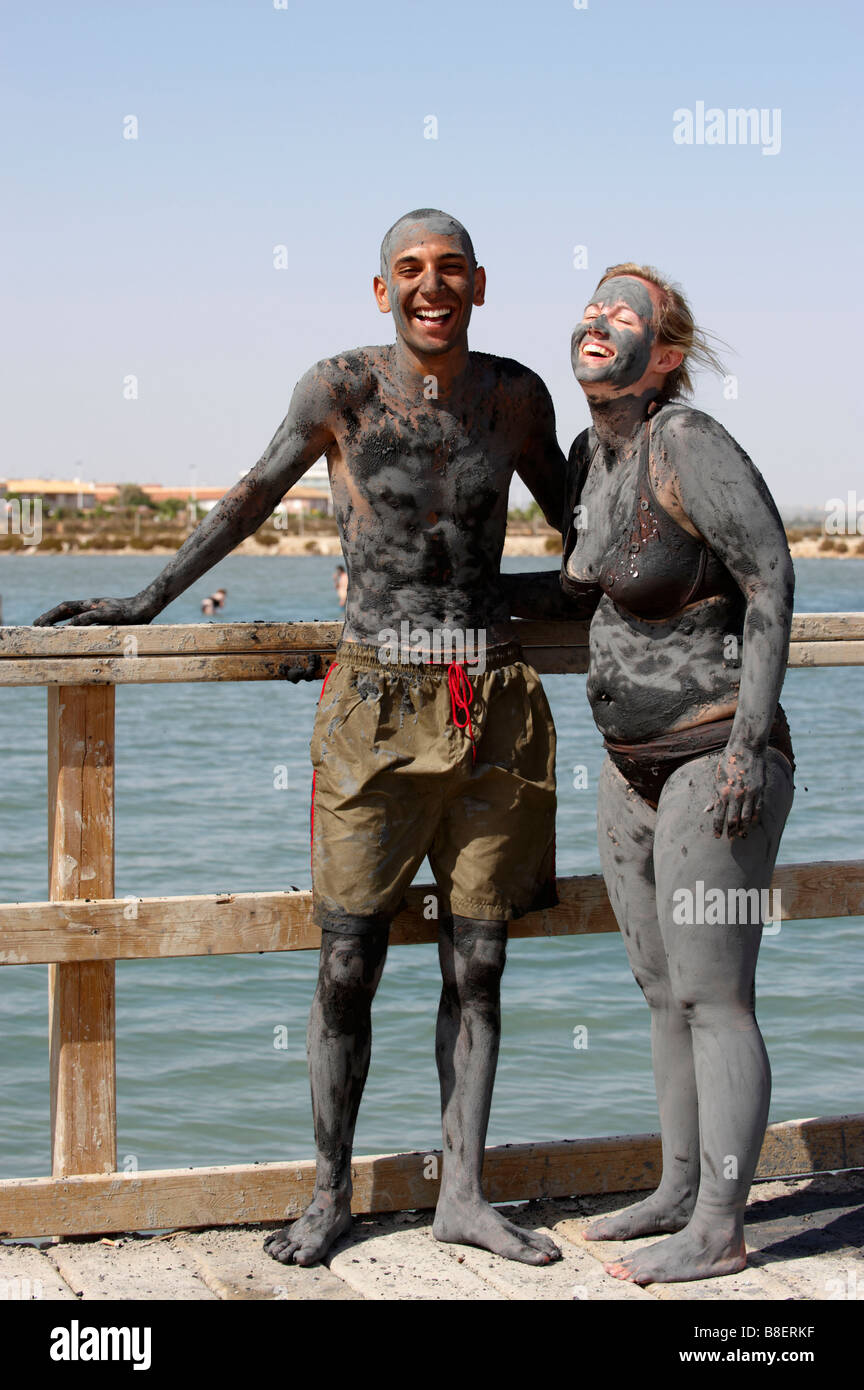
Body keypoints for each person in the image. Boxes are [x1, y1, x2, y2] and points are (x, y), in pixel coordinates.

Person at [34, 209, 567, 1269]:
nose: (431, 285)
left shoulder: (516, 395)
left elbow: (584, 522)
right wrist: (145, 598)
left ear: (480, 284)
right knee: (345, 961)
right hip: (372, 701)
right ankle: (329, 1192)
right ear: (382, 292)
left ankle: (462, 1191)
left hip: (488, 695)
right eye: (409, 270)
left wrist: (664, 592)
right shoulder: (339, 387)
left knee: (481, 961)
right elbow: (250, 496)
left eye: (450, 269)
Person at [511, 264, 794, 1284]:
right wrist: (440, 594)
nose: (599, 319)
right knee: (661, 988)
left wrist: (752, 742)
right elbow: (582, 586)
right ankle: (678, 1190)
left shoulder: (689, 443)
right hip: (628, 768)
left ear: (664, 355)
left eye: (624, 314)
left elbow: (770, 575)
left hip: (713, 756)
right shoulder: (595, 455)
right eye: (592, 305)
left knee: (717, 995)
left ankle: (722, 1224)